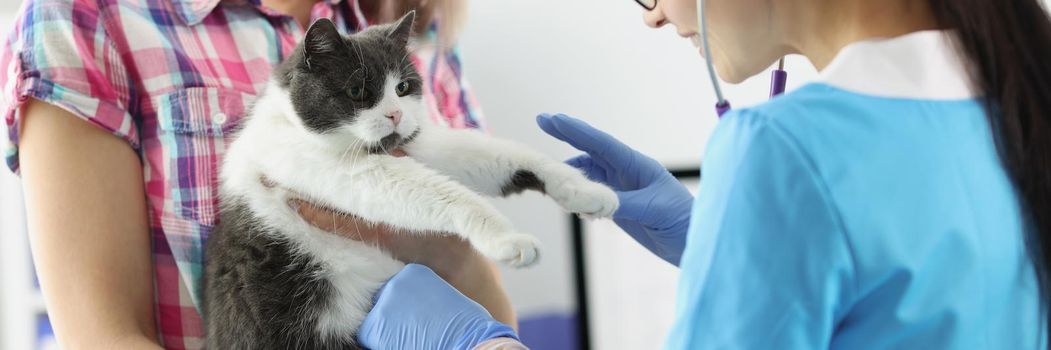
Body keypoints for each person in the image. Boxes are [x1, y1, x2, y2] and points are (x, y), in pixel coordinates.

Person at [356, 0, 1051, 348]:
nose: (656, 15)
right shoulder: (1016, 98)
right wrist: (724, 252)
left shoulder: (783, 151)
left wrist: (476, 346)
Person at [0, 0, 517, 348]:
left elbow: (489, 317)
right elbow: (102, 336)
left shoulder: (410, 36)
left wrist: (445, 250)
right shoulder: (86, 19)